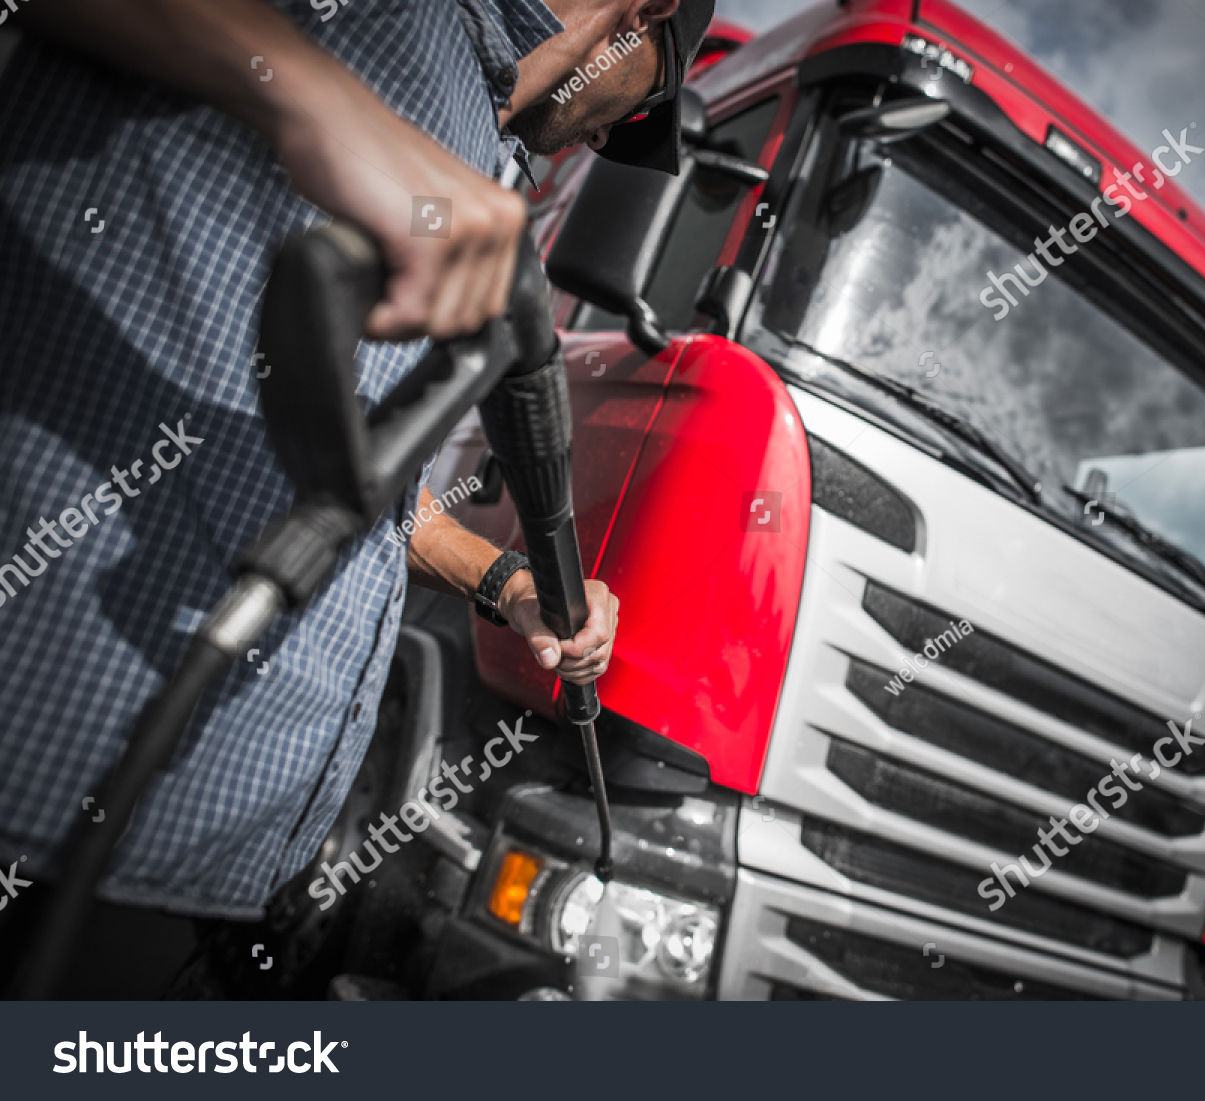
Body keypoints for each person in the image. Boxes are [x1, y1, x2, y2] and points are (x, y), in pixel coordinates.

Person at [0, 0, 716, 997]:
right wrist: (315, 102)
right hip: (58, 788)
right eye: (635, 115)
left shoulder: (484, 148)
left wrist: (511, 581)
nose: (605, 136)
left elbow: (381, 489)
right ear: (646, 14)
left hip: (221, 861)